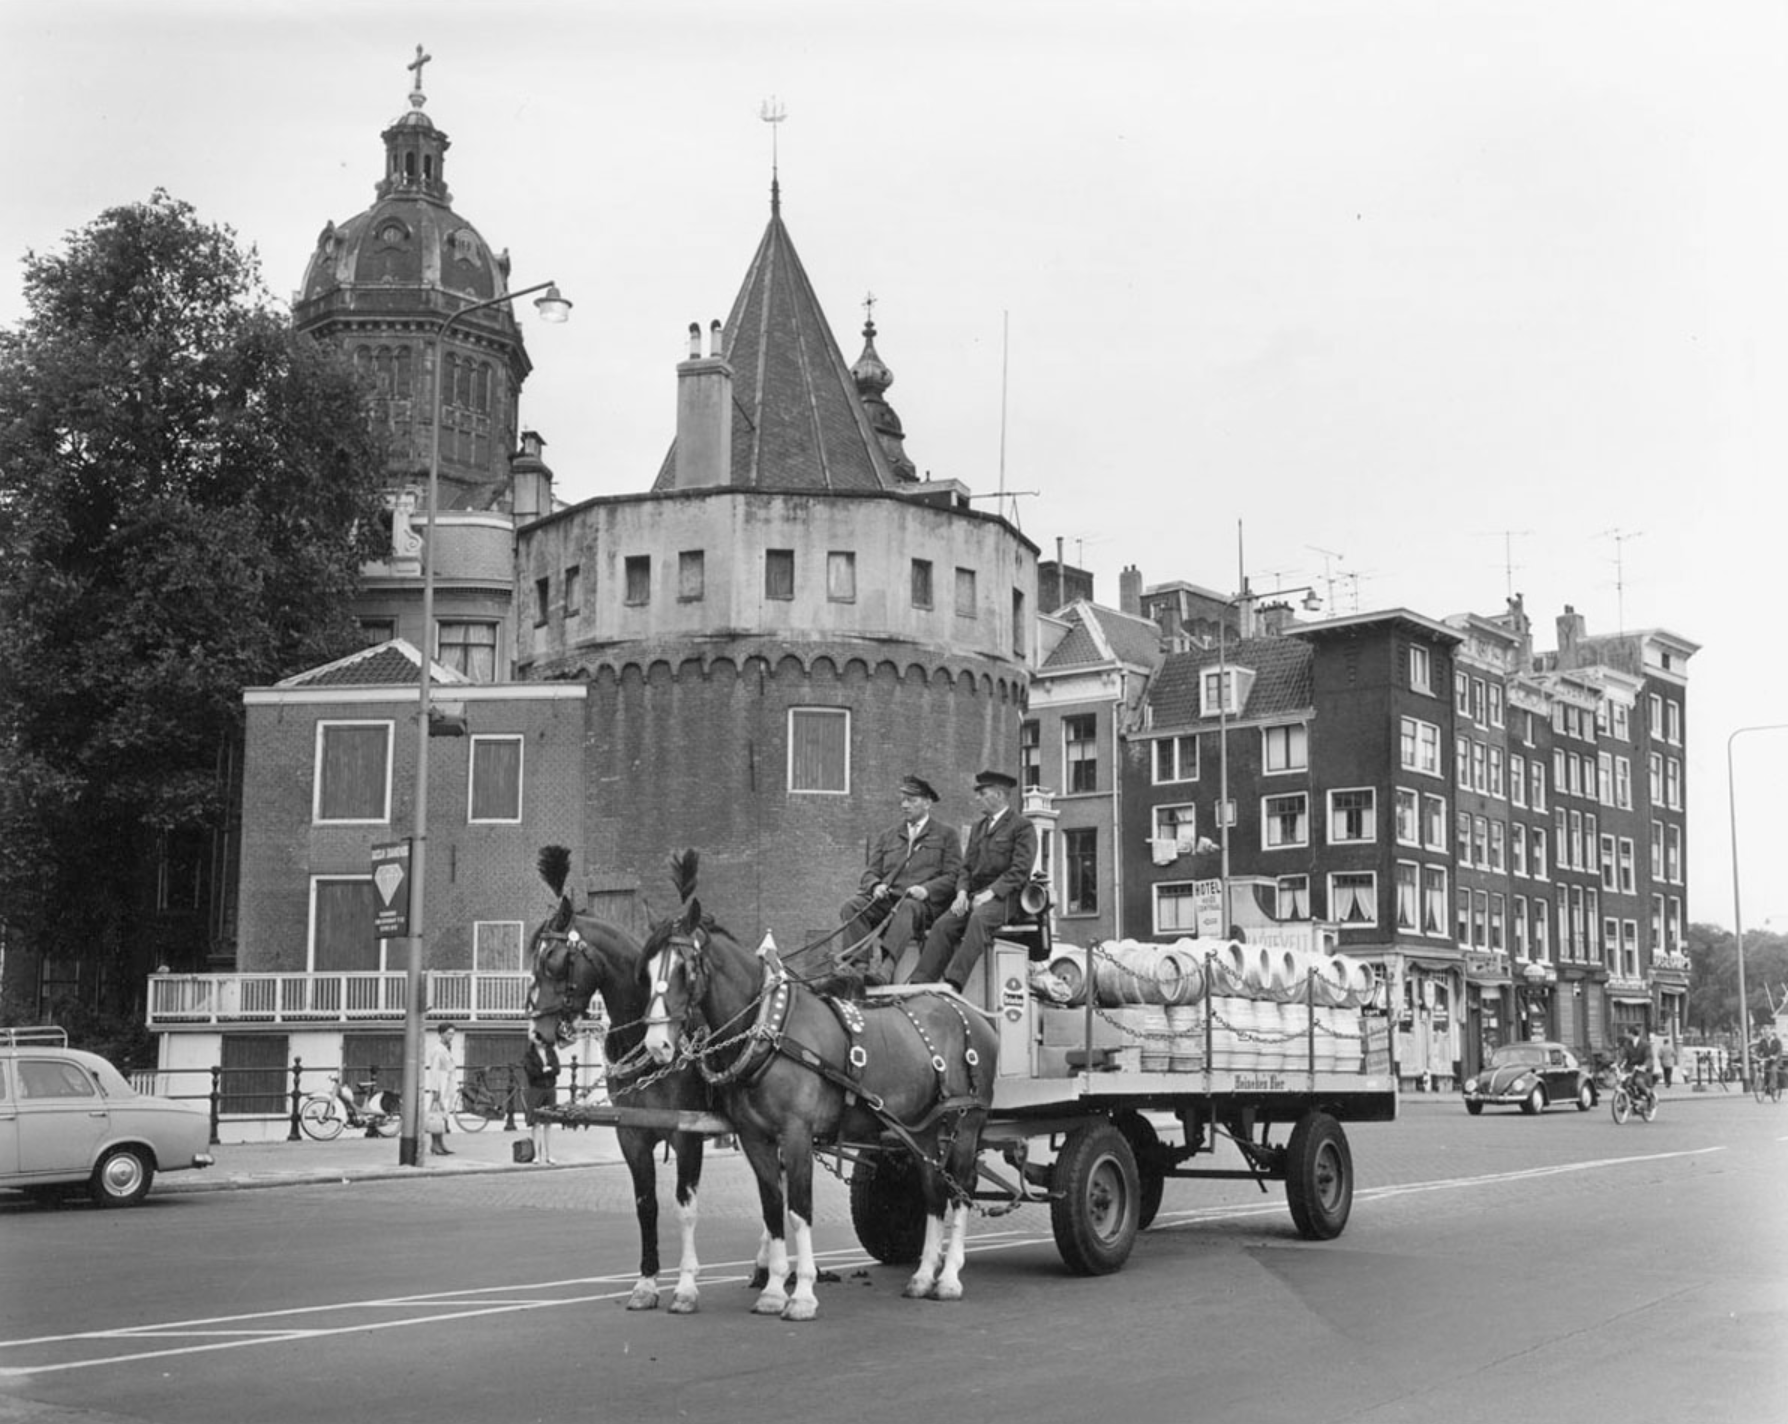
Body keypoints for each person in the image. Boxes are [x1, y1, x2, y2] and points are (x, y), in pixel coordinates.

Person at [908, 769, 1039, 994]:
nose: (977, 798)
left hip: (1004, 899)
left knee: (978, 919)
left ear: (998, 795)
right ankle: (920, 983)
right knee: (943, 924)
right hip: (973, 895)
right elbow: (966, 867)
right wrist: (961, 893)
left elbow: (1020, 870)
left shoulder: (1022, 826)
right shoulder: (978, 827)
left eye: (982, 793)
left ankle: (953, 983)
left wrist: (992, 893)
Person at [837, 774, 961, 986]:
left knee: (908, 906)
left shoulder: (946, 835)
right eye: (903, 800)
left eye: (911, 800)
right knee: (852, 906)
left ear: (928, 803)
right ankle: (858, 971)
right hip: (888, 902)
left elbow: (954, 875)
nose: (905, 805)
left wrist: (927, 889)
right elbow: (869, 873)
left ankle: (886, 969)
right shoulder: (888, 836)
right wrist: (876, 885)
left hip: (922, 907)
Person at [522, 1027, 560, 1164]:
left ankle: (549, 1154)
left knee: (548, 1122)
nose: (543, 1043)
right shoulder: (529, 1055)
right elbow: (531, 1072)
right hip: (536, 1089)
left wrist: (548, 1071)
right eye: (541, 1040)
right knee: (536, 1122)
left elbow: (557, 1069)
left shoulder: (551, 1052)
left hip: (549, 1088)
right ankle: (537, 1155)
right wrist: (545, 1071)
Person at [425, 1023, 456, 1156]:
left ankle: (440, 1143)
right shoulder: (438, 1050)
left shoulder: (446, 1048)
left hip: (447, 1082)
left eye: (452, 1034)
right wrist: (435, 1089)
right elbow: (434, 1070)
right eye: (449, 1034)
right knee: (437, 1114)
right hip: (441, 1083)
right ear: (441, 1034)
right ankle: (435, 1145)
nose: (451, 1037)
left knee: (443, 1115)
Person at [1619, 1026, 1653, 1104]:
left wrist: (1645, 1066)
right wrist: (1616, 1063)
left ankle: (1649, 1095)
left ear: (1631, 1034)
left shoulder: (1645, 1044)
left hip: (1643, 1071)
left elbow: (1649, 1057)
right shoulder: (1627, 1044)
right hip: (1631, 1069)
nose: (1624, 1034)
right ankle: (1629, 1100)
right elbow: (1622, 1055)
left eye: (1626, 1033)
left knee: (1638, 1081)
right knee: (1624, 1082)